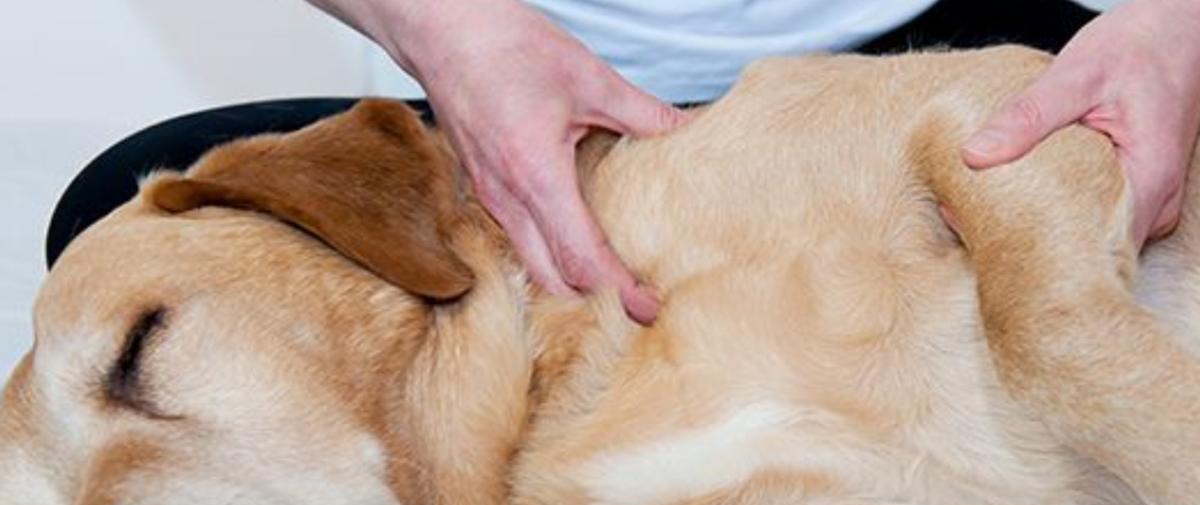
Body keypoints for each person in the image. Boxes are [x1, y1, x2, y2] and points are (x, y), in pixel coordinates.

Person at [319, 1, 1197, 323]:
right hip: (539, 79)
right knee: (186, 170)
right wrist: (442, 26)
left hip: (951, 38)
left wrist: (1178, 23)